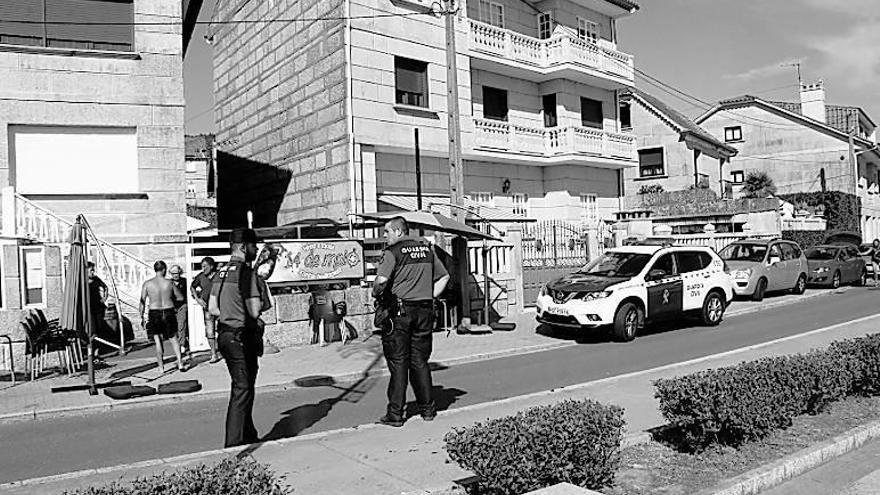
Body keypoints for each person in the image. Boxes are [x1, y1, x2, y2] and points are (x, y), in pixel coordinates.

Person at [373, 217, 450, 427]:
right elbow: (444, 277)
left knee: (399, 363)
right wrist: (430, 296)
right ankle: (427, 410)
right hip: (424, 311)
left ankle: (396, 414)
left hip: (399, 312)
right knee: (420, 361)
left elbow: (381, 282)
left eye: (387, 231)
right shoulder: (426, 250)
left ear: (398, 232)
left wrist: (376, 291)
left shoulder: (392, 252)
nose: (384, 236)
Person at [208, 228, 268, 447]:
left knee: (246, 384)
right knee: (242, 388)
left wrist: (229, 311)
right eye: (253, 246)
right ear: (244, 247)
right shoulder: (247, 274)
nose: (255, 249)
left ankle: (249, 434)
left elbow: (213, 308)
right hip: (241, 337)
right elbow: (254, 310)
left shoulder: (221, 271)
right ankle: (232, 446)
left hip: (224, 335)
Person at [139, 260, 187, 374]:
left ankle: (161, 368)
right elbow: (180, 297)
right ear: (164, 270)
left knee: (157, 340)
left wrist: (141, 316)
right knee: (173, 338)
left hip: (154, 312)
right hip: (168, 310)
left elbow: (142, 301)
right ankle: (180, 363)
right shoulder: (169, 283)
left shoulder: (147, 284)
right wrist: (171, 300)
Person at [191, 257, 221, 363]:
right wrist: (198, 299)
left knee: (223, 329)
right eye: (202, 266)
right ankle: (213, 354)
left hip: (220, 307)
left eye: (205, 266)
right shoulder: (201, 277)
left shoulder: (219, 275)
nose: (203, 268)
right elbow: (192, 287)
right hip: (207, 308)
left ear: (211, 266)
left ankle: (226, 351)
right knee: (210, 331)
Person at [169, 264, 191, 363]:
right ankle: (180, 344)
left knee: (182, 325)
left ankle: (182, 345)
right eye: (173, 274)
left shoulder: (184, 281)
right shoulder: (168, 283)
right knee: (174, 327)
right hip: (171, 307)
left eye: (177, 273)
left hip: (182, 305)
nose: (175, 275)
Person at [86, 262, 107, 340]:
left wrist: (104, 297)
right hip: (88, 307)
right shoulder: (82, 281)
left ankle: (98, 347)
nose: (93, 272)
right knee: (92, 328)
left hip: (98, 306)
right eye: (91, 270)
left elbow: (105, 287)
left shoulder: (96, 279)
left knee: (99, 326)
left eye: (93, 270)